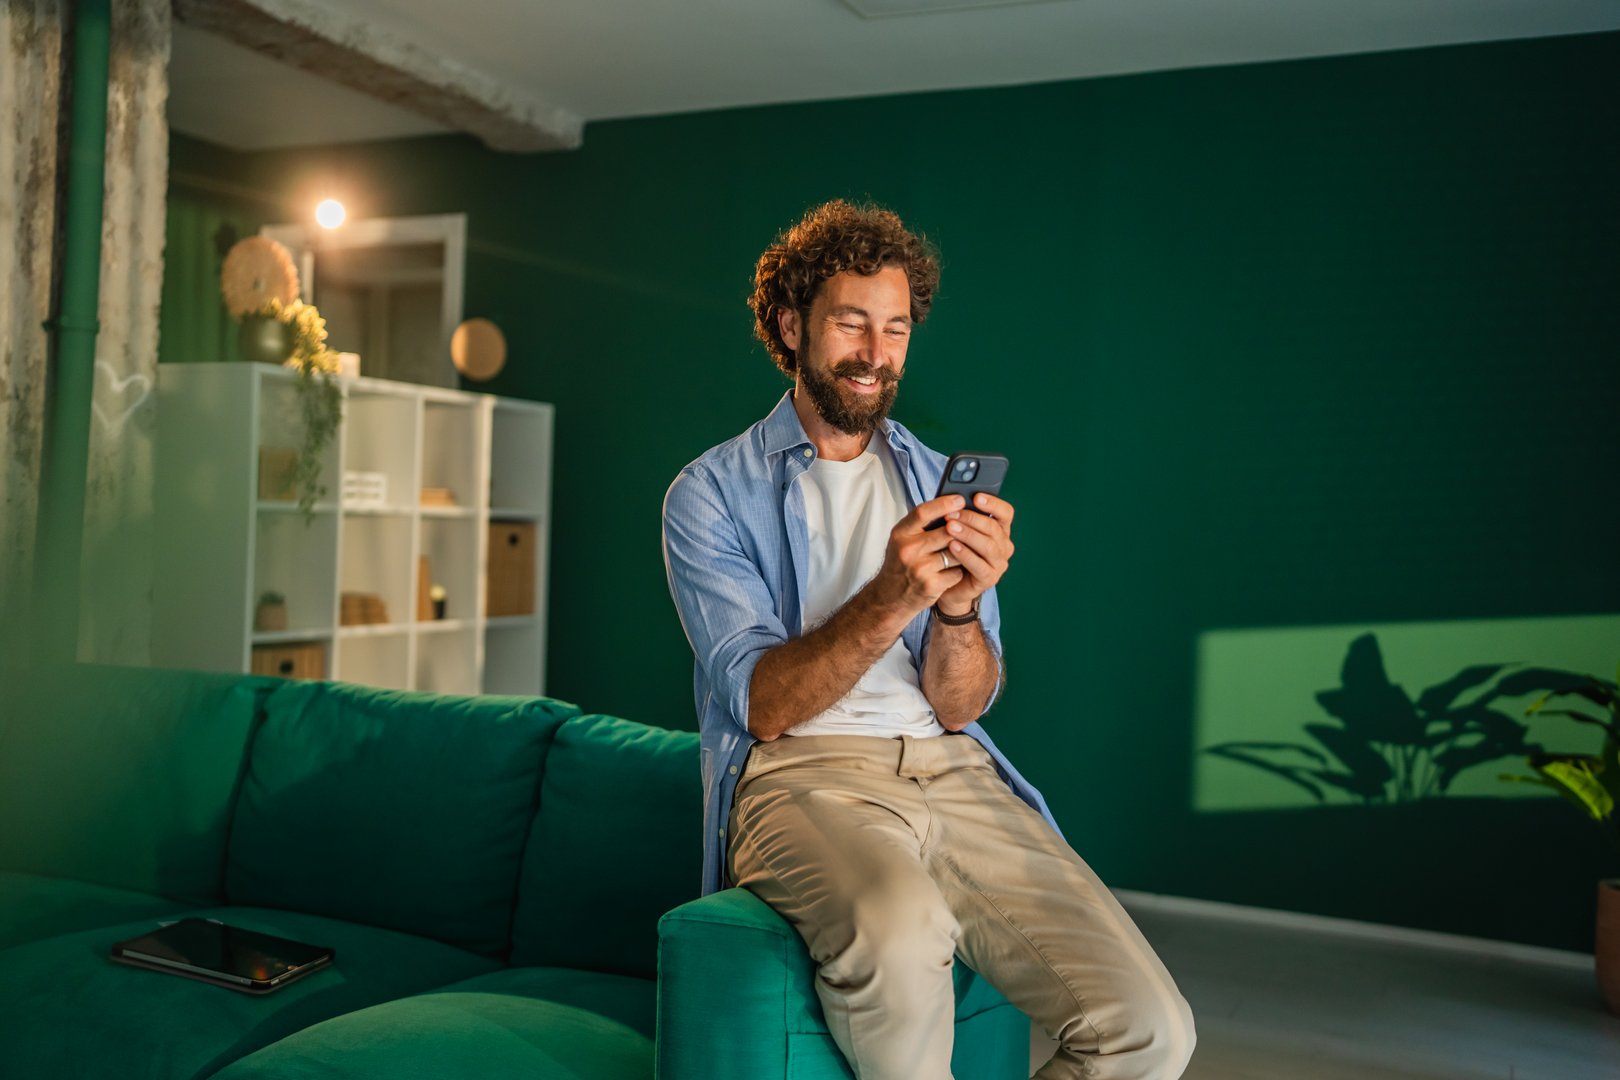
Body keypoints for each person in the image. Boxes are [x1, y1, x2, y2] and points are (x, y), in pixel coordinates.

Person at [661, 199, 1195, 1080]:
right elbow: (761, 706)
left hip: (955, 773)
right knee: (903, 940)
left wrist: (955, 608)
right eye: (851, 323)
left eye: (897, 329)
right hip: (806, 775)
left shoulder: (927, 477)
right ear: (791, 326)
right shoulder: (709, 494)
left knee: (1150, 1028)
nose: (876, 354)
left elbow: (961, 703)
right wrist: (894, 592)